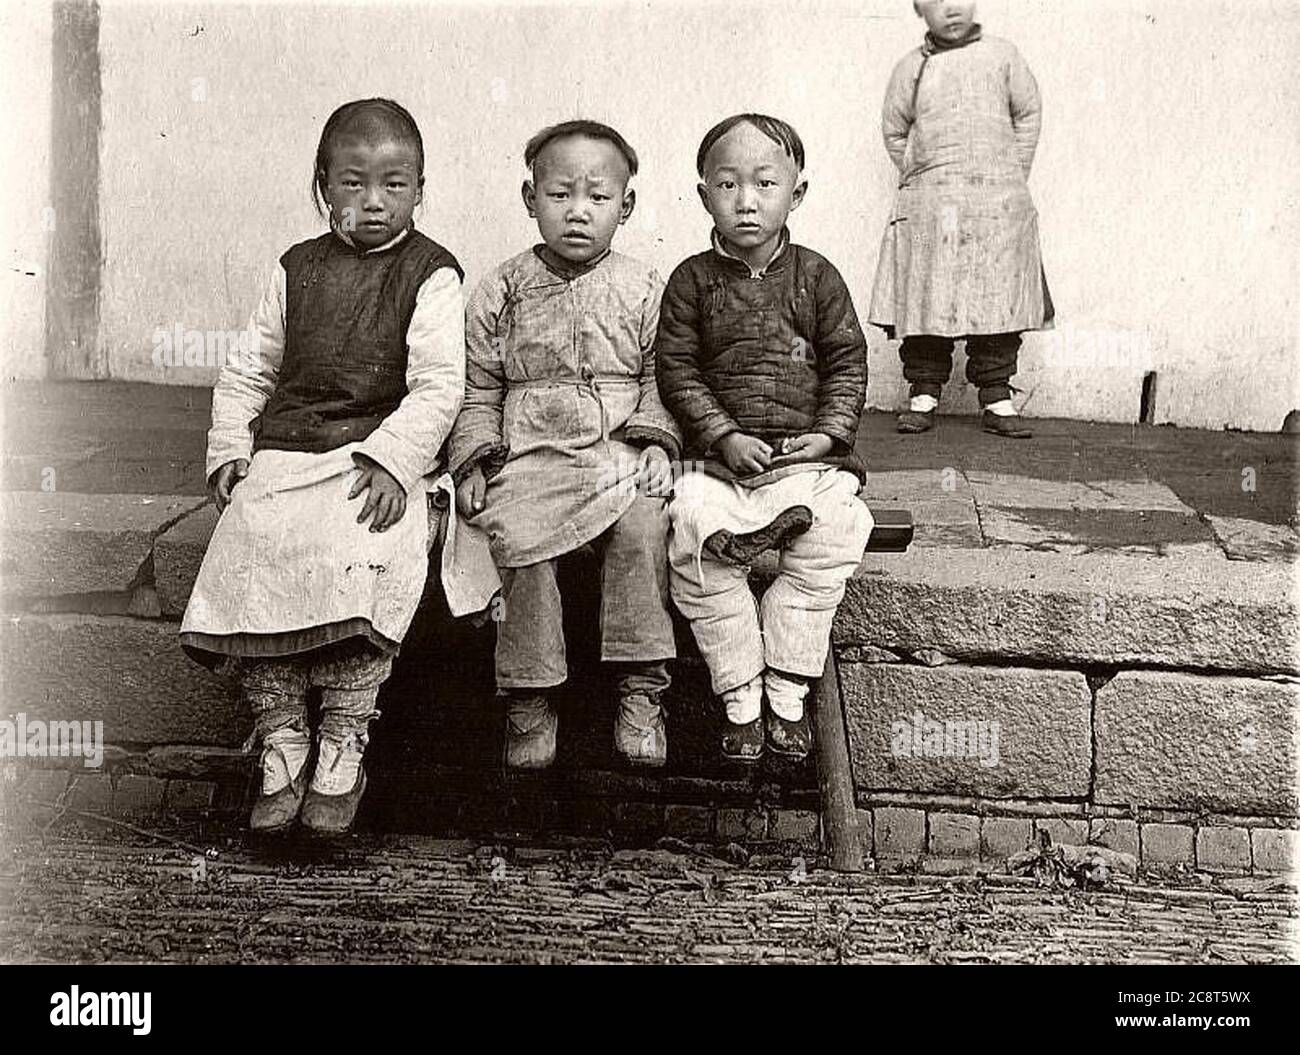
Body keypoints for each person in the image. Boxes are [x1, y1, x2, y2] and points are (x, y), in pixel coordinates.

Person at [180, 98, 465, 835]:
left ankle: (343, 736)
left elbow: (439, 386)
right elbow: (247, 370)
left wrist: (394, 462)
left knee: (366, 546)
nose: (374, 202)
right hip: (289, 451)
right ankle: (283, 737)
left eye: (394, 184)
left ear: (420, 189)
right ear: (322, 186)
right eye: (352, 183)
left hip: (374, 454)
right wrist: (230, 449)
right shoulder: (296, 270)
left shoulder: (431, 274)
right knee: (250, 541)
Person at [447, 120, 680, 770]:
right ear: (531, 199)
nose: (578, 211)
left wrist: (657, 444)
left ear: (625, 206)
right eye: (559, 194)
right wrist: (474, 460)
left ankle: (641, 690)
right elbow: (478, 386)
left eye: (597, 197)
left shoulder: (644, 287)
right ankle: (530, 697)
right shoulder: (502, 289)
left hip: (617, 455)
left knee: (642, 530)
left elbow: (663, 377)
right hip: (530, 456)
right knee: (518, 538)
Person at [655, 114, 873, 764]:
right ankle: (740, 690)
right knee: (694, 545)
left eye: (765, 184)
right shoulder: (691, 282)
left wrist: (827, 436)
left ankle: (786, 682)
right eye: (728, 185)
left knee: (839, 531)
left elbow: (847, 363)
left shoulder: (818, 277)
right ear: (705, 196)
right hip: (720, 468)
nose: (746, 201)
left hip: (802, 465)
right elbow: (678, 370)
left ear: (796, 194)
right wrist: (722, 435)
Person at [869, 0, 1053, 438]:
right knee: (927, 296)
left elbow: (1028, 114)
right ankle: (923, 395)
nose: (950, 8)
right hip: (932, 205)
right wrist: (924, 172)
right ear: (919, 9)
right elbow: (895, 130)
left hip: (996, 204)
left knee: (996, 300)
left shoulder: (1003, 55)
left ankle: (997, 398)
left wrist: (1011, 172)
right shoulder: (910, 69)